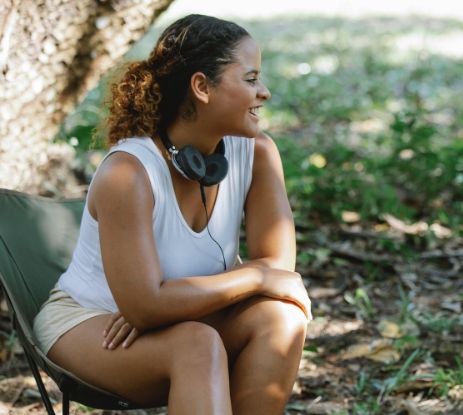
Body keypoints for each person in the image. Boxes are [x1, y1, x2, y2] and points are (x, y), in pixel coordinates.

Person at [31, 15, 310, 414]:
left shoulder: (258, 153)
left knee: (281, 318)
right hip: (94, 322)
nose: (263, 92)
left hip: (187, 320)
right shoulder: (128, 173)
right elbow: (143, 308)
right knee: (196, 345)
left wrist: (166, 305)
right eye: (250, 79)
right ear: (201, 87)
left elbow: (279, 272)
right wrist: (251, 276)